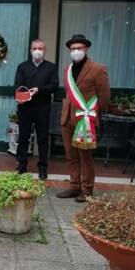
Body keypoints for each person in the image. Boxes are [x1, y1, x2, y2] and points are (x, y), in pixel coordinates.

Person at [56, 34, 110, 202]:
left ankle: (87, 189)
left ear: (86, 49)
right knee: (70, 155)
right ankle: (74, 186)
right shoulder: (68, 70)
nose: (76, 51)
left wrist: (96, 116)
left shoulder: (97, 69)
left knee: (85, 156)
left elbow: (104, 96)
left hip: (85, 120)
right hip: (67, 119)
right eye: (73, 49)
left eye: (79, 48)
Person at [13, 39, 59, 180]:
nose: (37, 50)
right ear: (30, 50)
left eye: (40, 48)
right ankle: (21, 165)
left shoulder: (51, 67)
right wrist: (24, 94)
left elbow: (54, 86)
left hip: (42, 107)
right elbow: (18, 85)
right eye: (34, 48)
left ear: (45, 50)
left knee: (42, 138)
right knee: (23, 137)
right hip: (25, 108)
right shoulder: (23, 66)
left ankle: (43, 168)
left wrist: (40, 90)